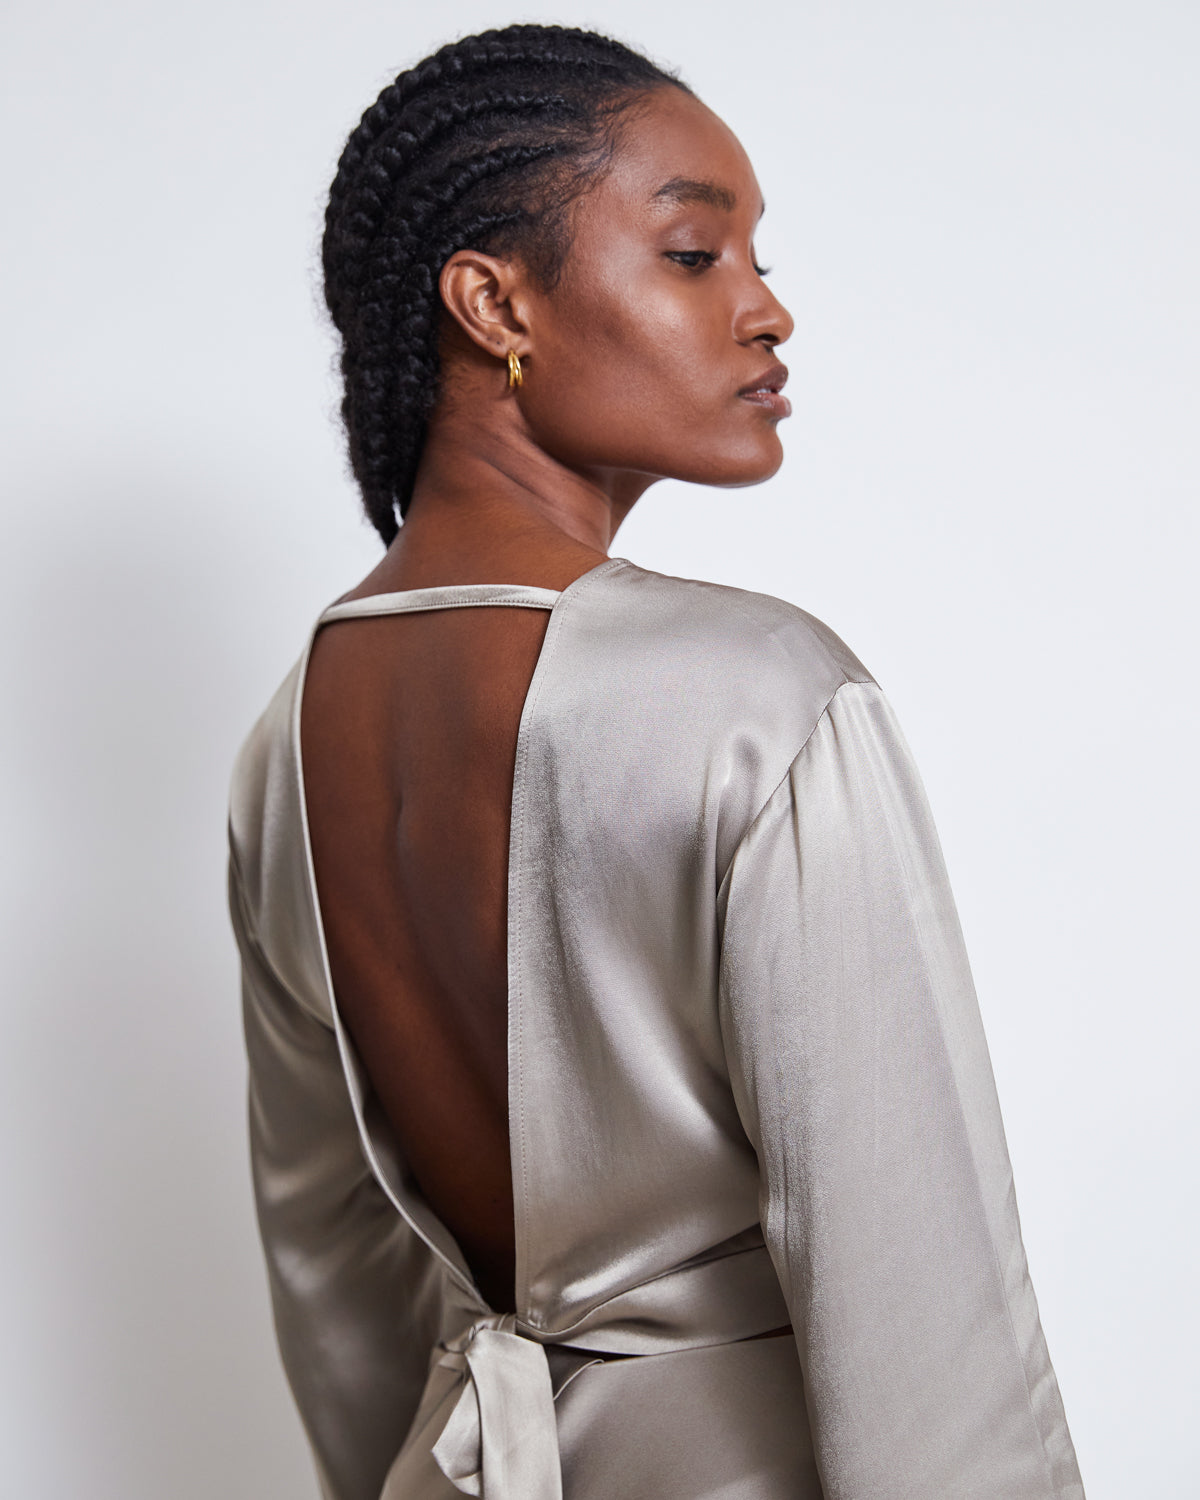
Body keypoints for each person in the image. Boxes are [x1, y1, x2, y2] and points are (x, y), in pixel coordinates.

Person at [226, 23, 1085, 1500]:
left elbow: (337, 1282)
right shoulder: (756, 694)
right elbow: (920, 1305)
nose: (770, 313)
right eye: (696, 255)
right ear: (494, 301)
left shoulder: (285, 735)